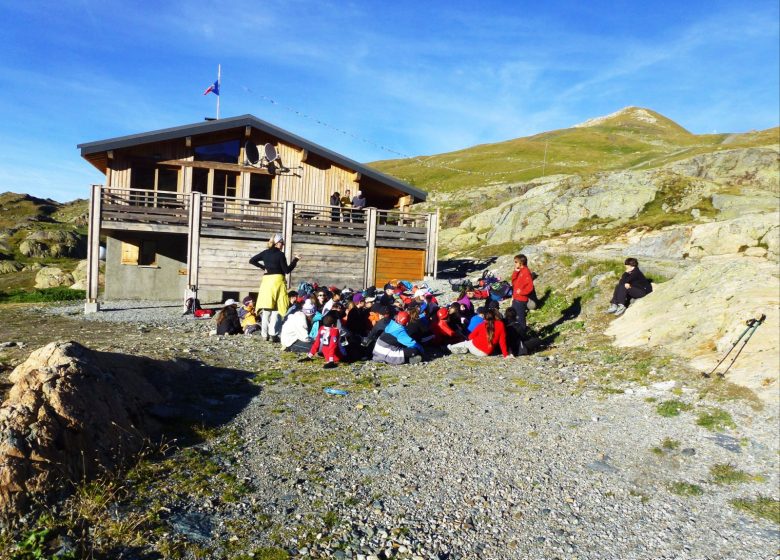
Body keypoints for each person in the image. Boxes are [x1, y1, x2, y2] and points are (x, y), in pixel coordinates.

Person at [249, 233, 300, 342]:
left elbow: (252, 260)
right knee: (276, 309)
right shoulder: (280, 255)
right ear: (277, 243)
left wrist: (263, 267)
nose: (283, 245)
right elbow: (286, 270)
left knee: (266, 308)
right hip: (277, 281)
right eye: (282, 242)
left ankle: (264, 334)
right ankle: (273, 334)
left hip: (267, 282)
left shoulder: (265, 253)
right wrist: (295, 260)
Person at [510, 254, 534, 334]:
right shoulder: (520, 271)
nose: (515, 263)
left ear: (521, 262)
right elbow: (513, 282)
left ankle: (523, 334)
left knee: (520, 319)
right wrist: (516, 271)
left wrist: (521, 292)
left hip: (521, 300)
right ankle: (517, 333)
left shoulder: (526, 272)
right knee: (513, 317)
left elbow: (530, 287)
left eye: (516, 262)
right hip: (516, 298)